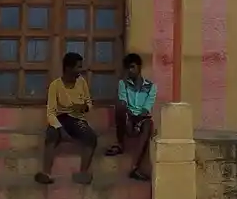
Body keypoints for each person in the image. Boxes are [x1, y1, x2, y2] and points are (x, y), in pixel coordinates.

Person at [35, 51, 97, 186]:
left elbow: (89, 103)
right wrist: (61, 130)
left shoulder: (82, 82)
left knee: (91, 136)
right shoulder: (55, 85)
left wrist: (84, 107)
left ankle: (83, 173)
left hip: (77, 119)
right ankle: (46, 173)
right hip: (60, 118)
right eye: (78, 67)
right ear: (68, 68)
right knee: (51, 134)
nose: (80, 70)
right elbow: (51, 112)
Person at [106, 52, 156, 181]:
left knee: (148, 124)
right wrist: (129, 117)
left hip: (141, 118)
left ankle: (135, 167)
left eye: (132, 67)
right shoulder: (123, 84)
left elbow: (146, 108)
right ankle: (120, 143)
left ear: (139, 67)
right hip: (128, 116)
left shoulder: (151, 87)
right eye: (128, 68)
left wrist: (137, 121)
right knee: (120, 108)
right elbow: (123, 102)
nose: (130, 70)